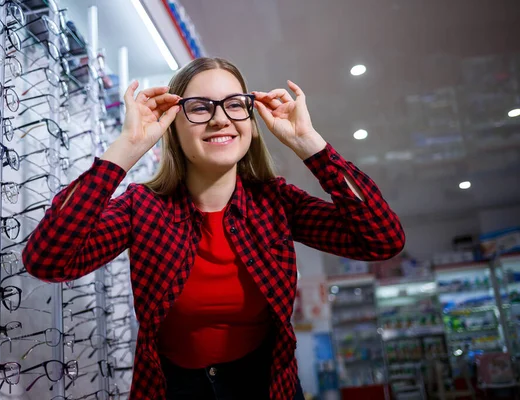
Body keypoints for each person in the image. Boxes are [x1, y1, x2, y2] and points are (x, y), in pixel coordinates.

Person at [23, 57, 405, 400]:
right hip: (170, 387)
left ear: (252, 125)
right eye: (200, 108)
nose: (220, 118)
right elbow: (48, 260)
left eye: (235, 105)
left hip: (266, 385)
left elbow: (381, 240)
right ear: (173, 128)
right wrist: (126, 147)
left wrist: (310, 145)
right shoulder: (143, 207)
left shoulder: (276, 202)